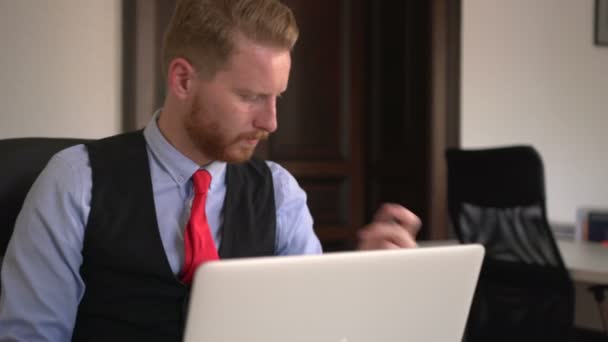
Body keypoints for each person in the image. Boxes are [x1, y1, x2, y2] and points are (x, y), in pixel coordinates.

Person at [0, 0, 420, 341]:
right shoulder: (75, 180)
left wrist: (364, 285)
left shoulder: (281, 193)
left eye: (277, 97)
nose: (271, 122)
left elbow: (309, 330)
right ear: (183, 80)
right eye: (250, 96)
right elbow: (30, 336)